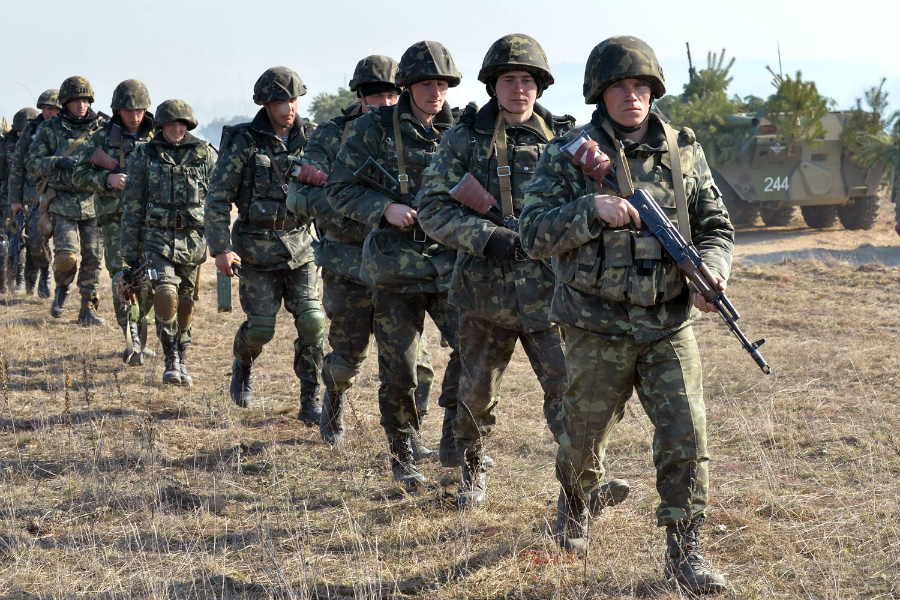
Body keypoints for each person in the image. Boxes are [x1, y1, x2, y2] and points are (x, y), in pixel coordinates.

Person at [519, 36, 734, 594]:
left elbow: (716, 227)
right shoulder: (569, 152)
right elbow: (532, 233)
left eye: (640, 86)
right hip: (596, 324)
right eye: (619, 87)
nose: (632, 96)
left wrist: (712, 272)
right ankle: (576, 505)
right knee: (581, 438)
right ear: (599, 93)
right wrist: (591, 210)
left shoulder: (683, 148)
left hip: (668, 322)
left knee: (686, 436)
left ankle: (685, 553)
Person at [416, 34, 617, 506]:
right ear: (493, 85)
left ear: (541, 86)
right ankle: (471, 473)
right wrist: (488, 238)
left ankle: (584, 485)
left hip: (552, 294)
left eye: (528, 80)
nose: (519, 89)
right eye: (509, 80)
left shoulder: (568, 142)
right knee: (476, 396)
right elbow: (431, 207)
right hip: (485, 292)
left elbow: (601, 204)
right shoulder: (464, 140)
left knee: (570, 393)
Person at [327, 41, 461, 486]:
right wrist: (384, 208)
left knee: (474, 354)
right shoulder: (374, 129)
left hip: (449, 267)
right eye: (426, 83)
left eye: (441, 83)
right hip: (395, 268)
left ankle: (456, 438)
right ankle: (402, 451)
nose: (435, 91)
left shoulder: (460, 131)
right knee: (399, 369)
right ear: (407, 86)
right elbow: (339, 189)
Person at [287, 54, 435, 452]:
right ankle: (332, 402)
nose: (385, 102)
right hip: (349, 264)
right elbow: (299, 195)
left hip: (401, 266)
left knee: (416, 364)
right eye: (376, 95)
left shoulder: (420, 131)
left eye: (392, 93)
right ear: (359, 96)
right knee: (347, 357)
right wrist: (361, 206)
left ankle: (411, 436)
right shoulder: (334, 135)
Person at [205, 67, 325, 425]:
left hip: (301, 246)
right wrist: (221, 248)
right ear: (265, 103)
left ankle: (310, 400)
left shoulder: (314, 137)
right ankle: (243, 364)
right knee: (261, 328)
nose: (287, 107)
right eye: (279, 101)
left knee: (313, 323)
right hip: (254, 250)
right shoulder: (245, 141)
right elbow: (218, 198)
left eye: (292, 99)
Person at [121, 100, 217, 386]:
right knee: (165, 294)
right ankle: (170, 358)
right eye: (171, 124)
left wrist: (224, 242)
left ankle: (182, 354)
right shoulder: (144, 155)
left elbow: (219, 200)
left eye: (182, 124)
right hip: (156, 239)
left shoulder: (205, 154)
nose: (177, 129)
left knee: (185, 302)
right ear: (160, 126)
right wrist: (130, 252)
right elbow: (133, 205)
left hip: (193, 240)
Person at [73, 79, 156, 365]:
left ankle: (140, 333)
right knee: (123, 277)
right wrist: (106, 179)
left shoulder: (156, 136)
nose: (135, 115)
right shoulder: (101, 138)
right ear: (117, 110)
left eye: (140, 109)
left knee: (150, 282)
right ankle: (132, 339)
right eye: (128, 110)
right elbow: (78, 175)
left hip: (150, 220)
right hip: (115, 219)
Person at [25, 77, 106, 324]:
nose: (81, 105)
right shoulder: (50, 129)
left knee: (93, 257)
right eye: (75, 101)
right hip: (62, 202)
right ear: (65, 103)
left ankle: (87, 309)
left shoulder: (102, 128)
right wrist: (57, 161)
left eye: (85, 100)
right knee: (65, 257)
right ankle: (62, 286)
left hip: (95, 201)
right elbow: (32, 164)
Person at [7, 89, 59, 299]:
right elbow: (17, 166)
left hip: (65, 196)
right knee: (36, 240)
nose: (47, 113)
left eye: (52, 108)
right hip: (37, 197)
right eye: (44, 108)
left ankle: (63, 285)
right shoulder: (31, 130)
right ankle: (45, 273)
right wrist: (15, 200)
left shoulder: (70, 129)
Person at [1, 107, 39, 294]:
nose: (20, 134)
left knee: (34, 242)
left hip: (35, 199)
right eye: (18, 131)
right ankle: (17, 280)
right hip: (11, 199)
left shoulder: (40, 142)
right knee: (15, 239)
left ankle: (32, 283)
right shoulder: (5, 145)